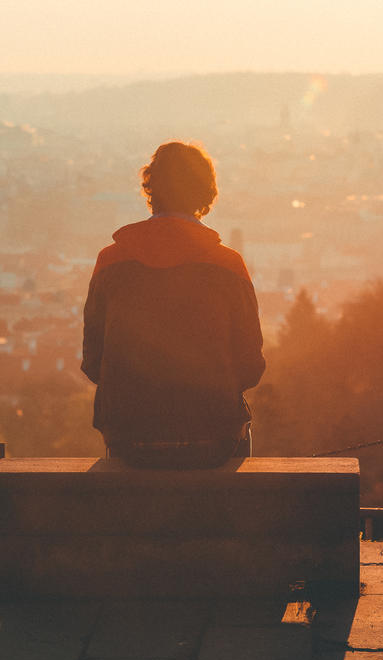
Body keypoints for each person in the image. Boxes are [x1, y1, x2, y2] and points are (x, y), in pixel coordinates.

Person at [81, 141, 265, 468]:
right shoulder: (228, 265)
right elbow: (250, 364)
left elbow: (93, 360)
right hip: (213, 437)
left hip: (129, 438)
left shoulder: (110, 262)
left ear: (152, 189)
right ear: (205, 193)